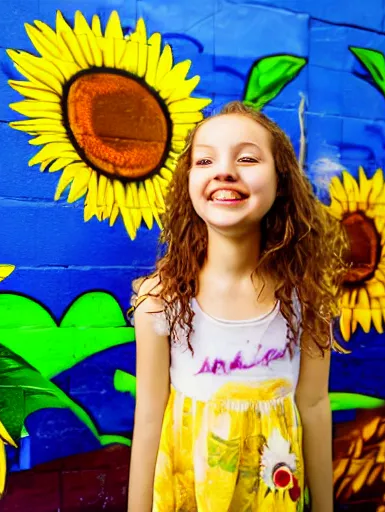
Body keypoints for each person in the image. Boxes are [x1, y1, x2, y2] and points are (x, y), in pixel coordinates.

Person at [127, 101, 347, 512]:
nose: (224, 170)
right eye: (205, 159)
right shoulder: (161, 300)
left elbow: (315, 405)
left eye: (246, 158)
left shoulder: (307, 298)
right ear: (189, 180)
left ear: (281, 182)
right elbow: (149, 414)